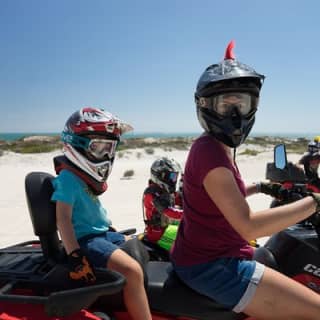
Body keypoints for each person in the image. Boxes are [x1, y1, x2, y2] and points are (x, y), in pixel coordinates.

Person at [170, 41, 320, 319]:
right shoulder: (210, 153)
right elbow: (249, 227)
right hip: (213, 266)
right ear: (205, 105)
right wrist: (315, 203)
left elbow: (220, 198)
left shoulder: (215, 146)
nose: (235, 114)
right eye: (226, 105)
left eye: (242, 103)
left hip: (207, 255)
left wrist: (262, 187)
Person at [51, 107, 152, 320]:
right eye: (99, 149)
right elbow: (63, 219)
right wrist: (75, 256)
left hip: (102, 234)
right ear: (78, 145)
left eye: (110, 149)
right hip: (87, 240)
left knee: (144, 243)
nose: (106, 156)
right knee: (132, 270)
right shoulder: (68, 178)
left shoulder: (81, 177)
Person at [142, 157, 183, 251]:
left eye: (175, 177)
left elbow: (180, 200)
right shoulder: (152, 194)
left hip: (168, 228)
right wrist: (190, 213)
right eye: (172, 176)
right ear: (161, 176)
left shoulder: (164, 191)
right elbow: (169, 212)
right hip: (158, 235)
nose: (174, 180)